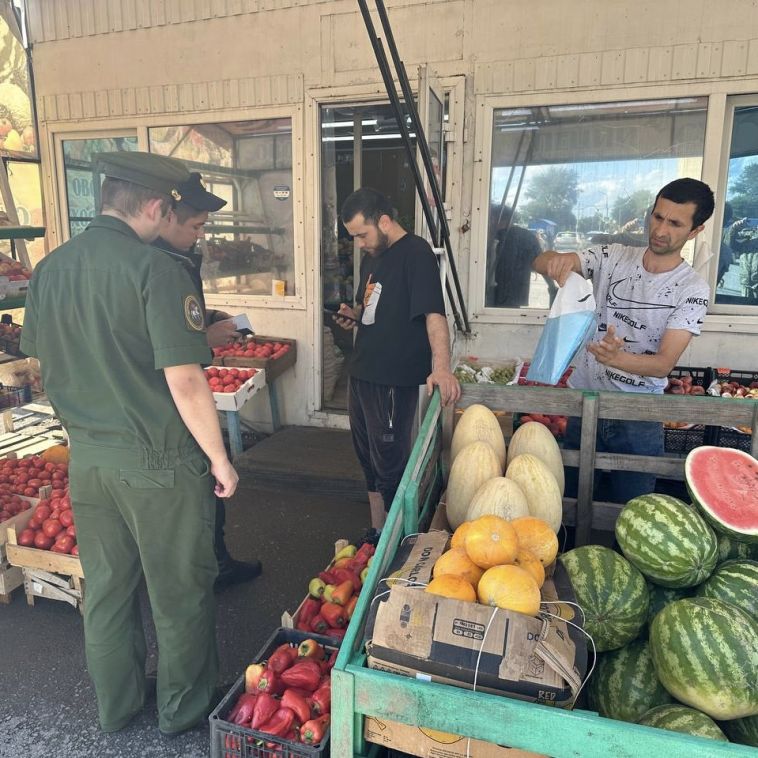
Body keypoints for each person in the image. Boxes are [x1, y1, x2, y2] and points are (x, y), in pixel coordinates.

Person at [20, 151, 238, 736]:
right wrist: (220, 458)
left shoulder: (50, 269)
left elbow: (40, 362)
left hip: (89, 461)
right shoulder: (156, 271)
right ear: (152, 205)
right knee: (178, 591)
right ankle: (182, 711)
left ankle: (116, 707)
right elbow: (186, 379)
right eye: (169, 207)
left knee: (108, 592)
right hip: (158, 460)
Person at [533, 178, 714, 503]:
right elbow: (542, 260)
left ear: (695, 231)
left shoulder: (693, 289)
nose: (660, 230)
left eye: (675, 223)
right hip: (584, 403)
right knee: (565, 506)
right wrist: (554, 261)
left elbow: (663, 364)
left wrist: (614, 358)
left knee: (632, 517)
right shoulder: (612, 256)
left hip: (639, 415)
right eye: (657, 217)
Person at [154, 172, 262, 589]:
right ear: (164, 217)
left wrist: (209, 318)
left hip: (182, 386)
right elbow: (165, 349)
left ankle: (214, 560)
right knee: (202, 480)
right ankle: (206, 571)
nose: (200, 236)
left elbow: (180, 316)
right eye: (196, 226)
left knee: (200, 486)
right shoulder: (156, 266)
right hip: (172, 395)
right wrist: (204, 337)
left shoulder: (181, 258)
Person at [334, 188, 460, 539]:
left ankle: (396, 542)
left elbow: (434, 315)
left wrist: (442, 367)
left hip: (392, 378)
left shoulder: (416, 253)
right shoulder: (373, 256)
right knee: (369, 460)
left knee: (391, 462)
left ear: (384, 221)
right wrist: (354, 316)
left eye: (362, 234)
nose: (359, 243)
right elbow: (377, 310)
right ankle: (378, 533)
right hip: (362, 373)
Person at [488, 207, 542, 308]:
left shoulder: (492, 238)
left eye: (491, 218)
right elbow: (541, 264)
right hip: (515, 297)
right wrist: (552, 287)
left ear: (496, 219)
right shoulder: (527, 236)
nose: (489, 222)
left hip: (492, 296)